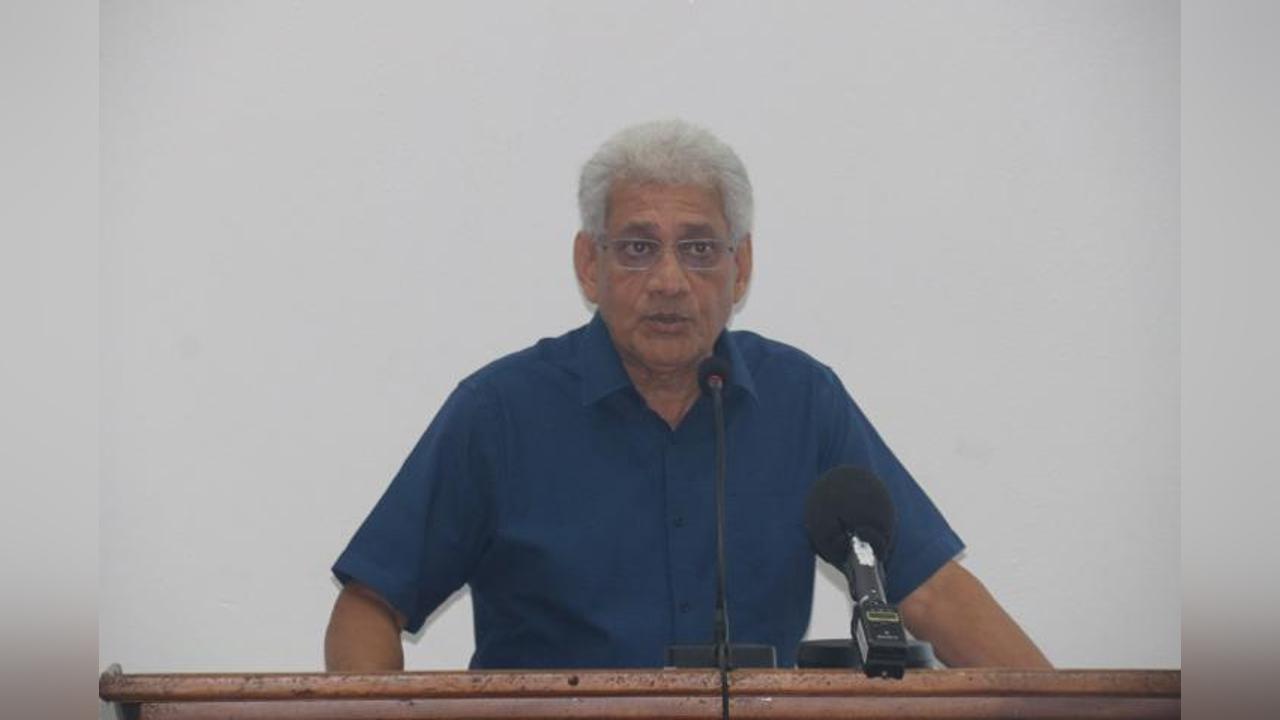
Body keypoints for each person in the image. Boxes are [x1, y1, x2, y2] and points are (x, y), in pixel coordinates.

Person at [324, 119, 1051, 671]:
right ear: (589, 264)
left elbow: (934, 594)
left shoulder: (802, 401)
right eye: (638, 248)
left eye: (699, 249)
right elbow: (369, 605)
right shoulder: (501, 413)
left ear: (741, 267)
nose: (669, 281)